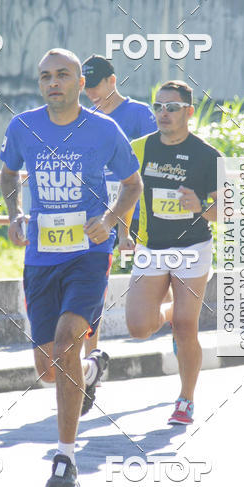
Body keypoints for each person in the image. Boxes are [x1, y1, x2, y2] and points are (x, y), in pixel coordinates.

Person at [0, 48, 143, 487]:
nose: (53, 83)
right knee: (48, 368)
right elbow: (8, 174)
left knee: (65, 344)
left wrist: (111, 220)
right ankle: (91, 368)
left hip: (88, 254)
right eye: (45, 77)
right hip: (41, 257)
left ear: (81, 83)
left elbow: (132, 183)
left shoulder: (104, 129)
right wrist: (14, 214)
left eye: (62, 75)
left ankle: (65, 458)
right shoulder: (23, 126)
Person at [120, 80, 221, 425]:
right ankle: (172, 309)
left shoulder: (208, 155)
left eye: (172, 107)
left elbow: (233, 208)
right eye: (158, 107)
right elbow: (128, 194)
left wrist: (201, 206)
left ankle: (185, 399)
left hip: (192, 248)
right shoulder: (139, 148)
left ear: (189, 112)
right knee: (138, 326)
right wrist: (123, 233)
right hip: (151, 247)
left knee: (185, 327)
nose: (163, 113)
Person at [82, 54, 158, 360]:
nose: (91, 95)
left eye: (96, 87)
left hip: (142, 216)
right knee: (91, 284)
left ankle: (174, 318)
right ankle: (92, 356)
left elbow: (153, 166)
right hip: (100, 216)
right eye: (86, 88)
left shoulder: (140, 115)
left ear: (112, 81)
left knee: (159, 288)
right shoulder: (86, 118)